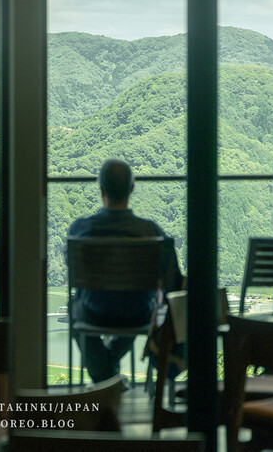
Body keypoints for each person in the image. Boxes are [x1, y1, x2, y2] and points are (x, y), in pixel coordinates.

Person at [68, 158, 183, 383]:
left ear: (101, 189)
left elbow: (73, 271)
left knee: (73, 308)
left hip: (94, 312)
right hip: (137, 313)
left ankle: (104, 378)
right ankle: (109, 375)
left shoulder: (80, 229)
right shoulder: (151, 231)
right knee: (136, 300)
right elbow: (173, 281)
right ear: (132, 188)